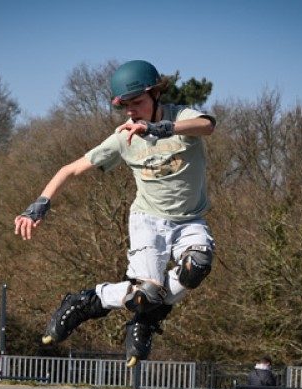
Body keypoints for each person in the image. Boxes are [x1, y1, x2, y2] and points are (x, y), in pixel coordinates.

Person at [14, 60, 216, 368]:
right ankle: (87, 301)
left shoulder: (181, 117)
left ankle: (146, 319)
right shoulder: (124, 137)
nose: (133, 112)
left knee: (197, 266)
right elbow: (71, 169)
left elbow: (208, 125)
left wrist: (163, 128)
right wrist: (38, 205)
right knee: (146, 294)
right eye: (127, 107)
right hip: (148, 221)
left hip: (189, 220)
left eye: (139, 103)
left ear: (156, 95)